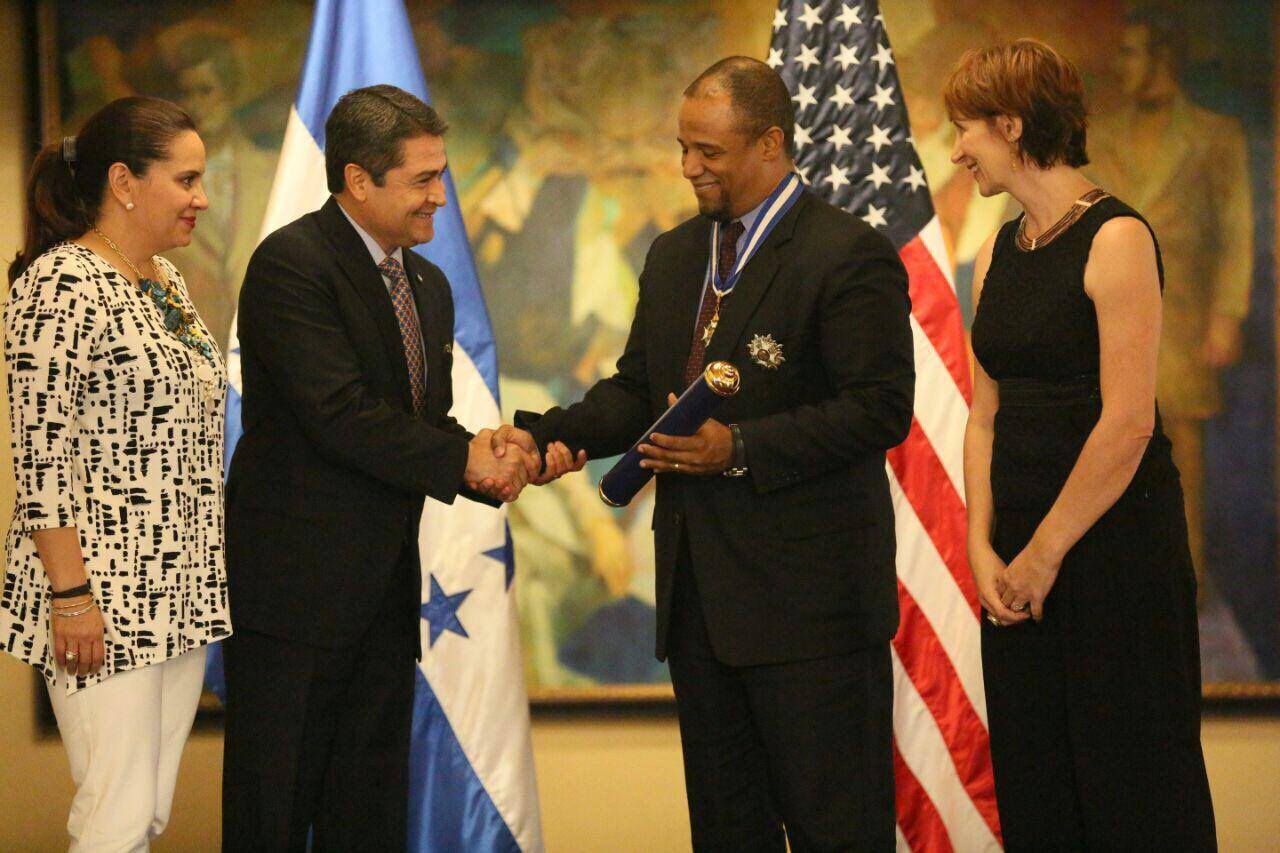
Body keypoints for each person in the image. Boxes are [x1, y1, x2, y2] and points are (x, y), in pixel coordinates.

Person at [495, 56, 915, 850]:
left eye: (709, 151)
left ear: (770, 143)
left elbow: (880, 408)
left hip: (811, 615)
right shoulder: (676, 254)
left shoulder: (845, 252)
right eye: (683, 147)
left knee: (837, 832)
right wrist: (552, 436)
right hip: (699, 611)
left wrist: (740, 447)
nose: (688, 166)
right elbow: (637, 390)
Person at [219, 84, 568, 851]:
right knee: (271, 816)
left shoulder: (426, 284)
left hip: (382, 600)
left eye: (441, 175)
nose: (441, 196)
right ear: (358, 179)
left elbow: (419, 424)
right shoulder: (292, 265)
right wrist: (463, 457)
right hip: (295, 603)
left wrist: (492, 455)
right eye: (423, 178)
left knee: (369, 818)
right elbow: (339, 414)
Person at [951, 40, 1216, 850]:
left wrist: (1044, 554)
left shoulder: (1117, 236)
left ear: (1012, 124)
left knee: (1133, 790)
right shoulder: (997, 249)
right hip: (1017, 563)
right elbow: (984, 413)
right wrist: (981, 545)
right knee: (1039, 789)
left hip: (1112, 552)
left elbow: (1128, 422)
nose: (957, 150)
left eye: (965, 128)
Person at [3, 96, 230, 851]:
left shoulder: (164, 279)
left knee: (145, 812)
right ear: (125, 182)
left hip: (179, 591)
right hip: (101, 595)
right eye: (187, 179)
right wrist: (71, 598)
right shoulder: (60, 282)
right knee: (116, 816)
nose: (202, 198)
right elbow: (41, 459)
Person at [1088, 6, 1254, 588]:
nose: (1121, 65)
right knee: (1108, 444)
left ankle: (1187, 578)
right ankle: (1120, 579)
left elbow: (1236, 232)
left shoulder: (1214, 135)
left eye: (1131, 53)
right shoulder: (1102, 135)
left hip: (1181, 316)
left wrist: (1226, 317)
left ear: (1162, 58)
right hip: (1108, 315)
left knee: (1180, 447)